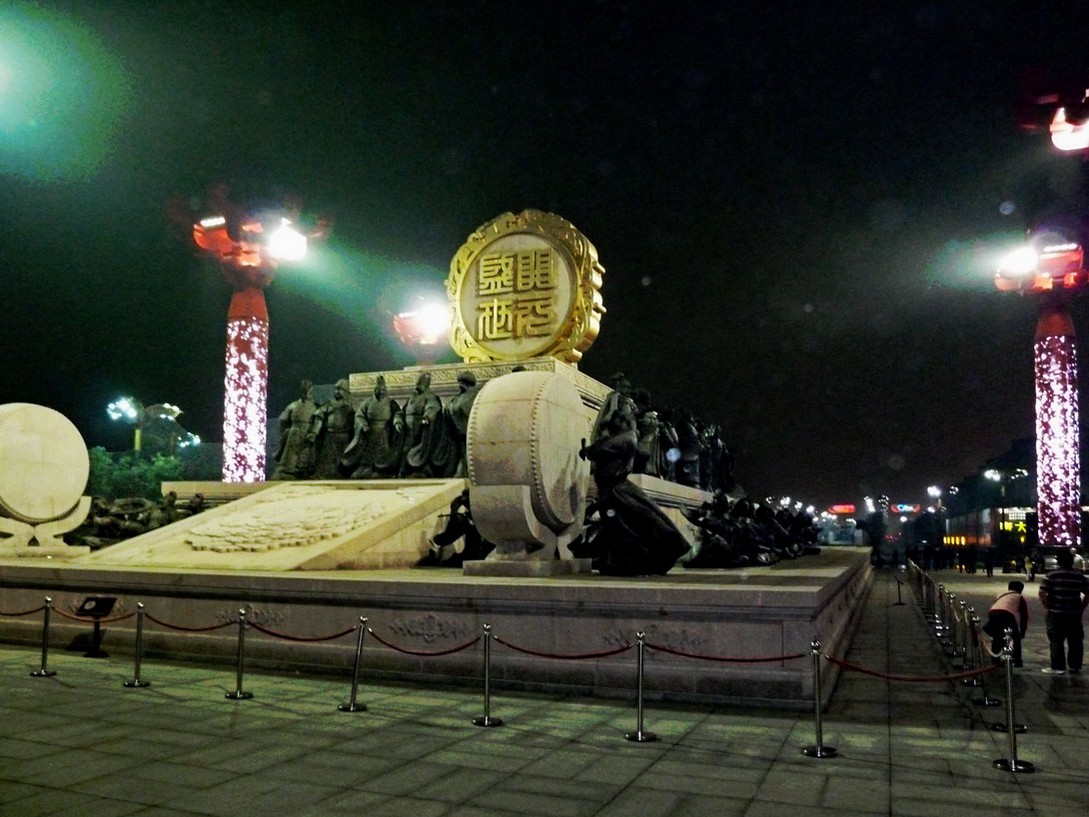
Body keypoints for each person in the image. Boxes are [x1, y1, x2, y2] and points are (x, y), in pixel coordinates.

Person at [1038, 549, 1089, 675]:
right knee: (1075, 641)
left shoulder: (1051, 575)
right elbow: (1088, 593)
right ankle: (1075, 665)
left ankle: (1058, 666)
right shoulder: (1078, 576)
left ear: (1058, 561)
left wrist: (1047, 607)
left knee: (1056, 640)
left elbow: (1042, 592)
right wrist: (1081, 607)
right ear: (1072, 561)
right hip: (1074, 614)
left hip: (1056, 613)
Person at [345, 375, 401, 478]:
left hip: (384, 432)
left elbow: (397, 413)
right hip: (370, 432)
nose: (381, 392)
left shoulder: (390, 403)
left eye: (383, 389)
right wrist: (363, 425)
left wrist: (397, 421)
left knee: (383, 453)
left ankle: (382, 470)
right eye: (379, 389)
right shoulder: (368, 402)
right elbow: (359, 415)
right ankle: (365, 468)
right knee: (368, 453)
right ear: (375, 390)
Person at [271, 379, 319, 480]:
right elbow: (283, 420)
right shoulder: (293, 405)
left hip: (308, 432)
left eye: (309, 391)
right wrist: (286, 432)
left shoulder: (316, 406)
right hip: (295, 432)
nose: (307, 393)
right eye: (304, 391)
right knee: (291, 455)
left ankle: (305, 471)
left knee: (307, 455)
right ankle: (288, 471)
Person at [311, 379, 355, 479]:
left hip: (345, 437)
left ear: (346, 391)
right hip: (330, 436)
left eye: (340, 389)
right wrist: (314, 432)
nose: (336, 392)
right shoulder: (329, 404)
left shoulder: (351, 405)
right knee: (327, 458)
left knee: (344, 458)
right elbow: (319, 417)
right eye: (336, 389)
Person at [983, 580, 1028, 667]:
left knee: (997, 637)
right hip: (1007, 614)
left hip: (993, 612)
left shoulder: (1001, 594)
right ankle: (1017, 661)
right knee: (1015, 638)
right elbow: (1024, 616)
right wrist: (1022, 631)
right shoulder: (1019, 597)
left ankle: (995, 660)